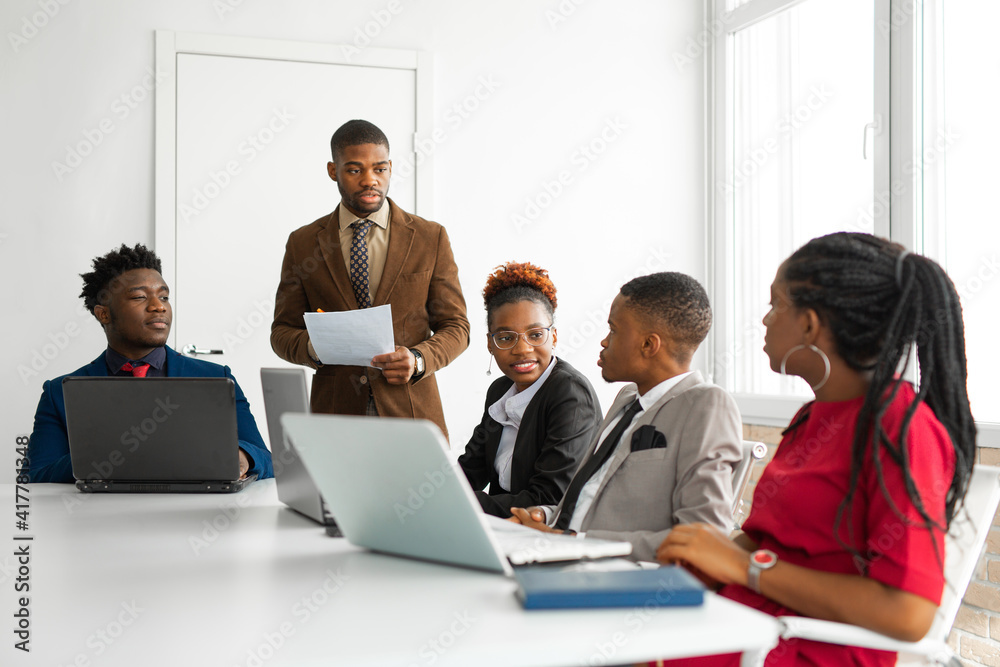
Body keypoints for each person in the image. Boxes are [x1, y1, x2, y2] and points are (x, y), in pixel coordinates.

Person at [657, 233, 976, 666]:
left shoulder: (901, 427)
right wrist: (708, 556)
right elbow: (768, 540)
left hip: (806, 648)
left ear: (809, 324)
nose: (765, 321)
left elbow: (908, 613)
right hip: (747, 621)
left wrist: (744, 567)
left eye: (775, 305)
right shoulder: (813, 417)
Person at [509, 272, 743, 562]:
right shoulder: (628, 399)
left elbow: (704, 535)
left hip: (617, 576)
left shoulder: (706, 404)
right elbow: (588, 500)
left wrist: (575, 542)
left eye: (614, 330)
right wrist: (544, 516)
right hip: (561, 555)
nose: (604, 342)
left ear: (648, 345)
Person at [270, 119, 469, 438]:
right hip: (335, 419)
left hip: (413, 416)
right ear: (333, 171)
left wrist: (418, 359)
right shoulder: (304, 242)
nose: (369, 180)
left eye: (379, 169)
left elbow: (457, 327)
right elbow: (281, 331)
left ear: (390, 167)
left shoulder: (430, 238)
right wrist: (314, 346)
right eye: (354, 170)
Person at [28, 243, 273, 483]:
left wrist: (244, 457)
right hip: (101, 520)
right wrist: (102, 455)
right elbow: (36, 476)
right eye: (139, 296)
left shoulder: (219, 378)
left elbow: (268, 460)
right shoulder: (58, 392)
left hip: (190, 518)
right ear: (103, 314)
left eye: (164, 296)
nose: (158, 306)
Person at [457, 262, 602, 518]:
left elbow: (549, 497)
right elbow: (471, 470)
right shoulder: (500, 390)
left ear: (554, 337)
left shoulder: (569, 392)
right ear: (490, 345)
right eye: (505, 338)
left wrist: (455, 502)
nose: (522, 349)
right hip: (503, 529)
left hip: (548, 535)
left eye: (535, 335)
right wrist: (428, 491)